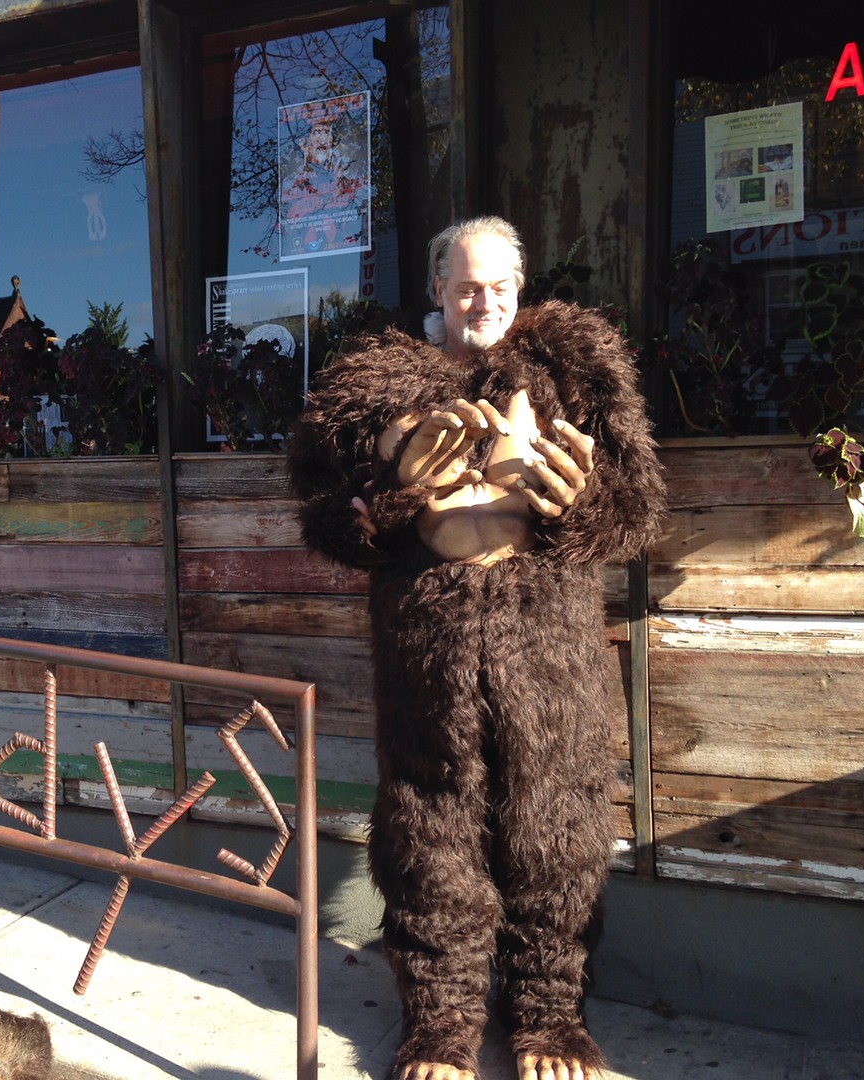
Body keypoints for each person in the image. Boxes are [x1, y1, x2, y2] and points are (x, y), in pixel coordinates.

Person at [287, 217, 666, 1080]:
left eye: (497, 285)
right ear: (438, 290)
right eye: (465, 287)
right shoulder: (378, 386)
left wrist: (580, 500)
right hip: (428, 647)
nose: (482, 301)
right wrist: (386, 493)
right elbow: (322, 511)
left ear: (520, 285)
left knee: (558, 829)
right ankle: (441, 1026)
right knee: (429, 830)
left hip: (549, 647)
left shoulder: (577, 366)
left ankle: (549, 1018)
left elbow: (639, 505)